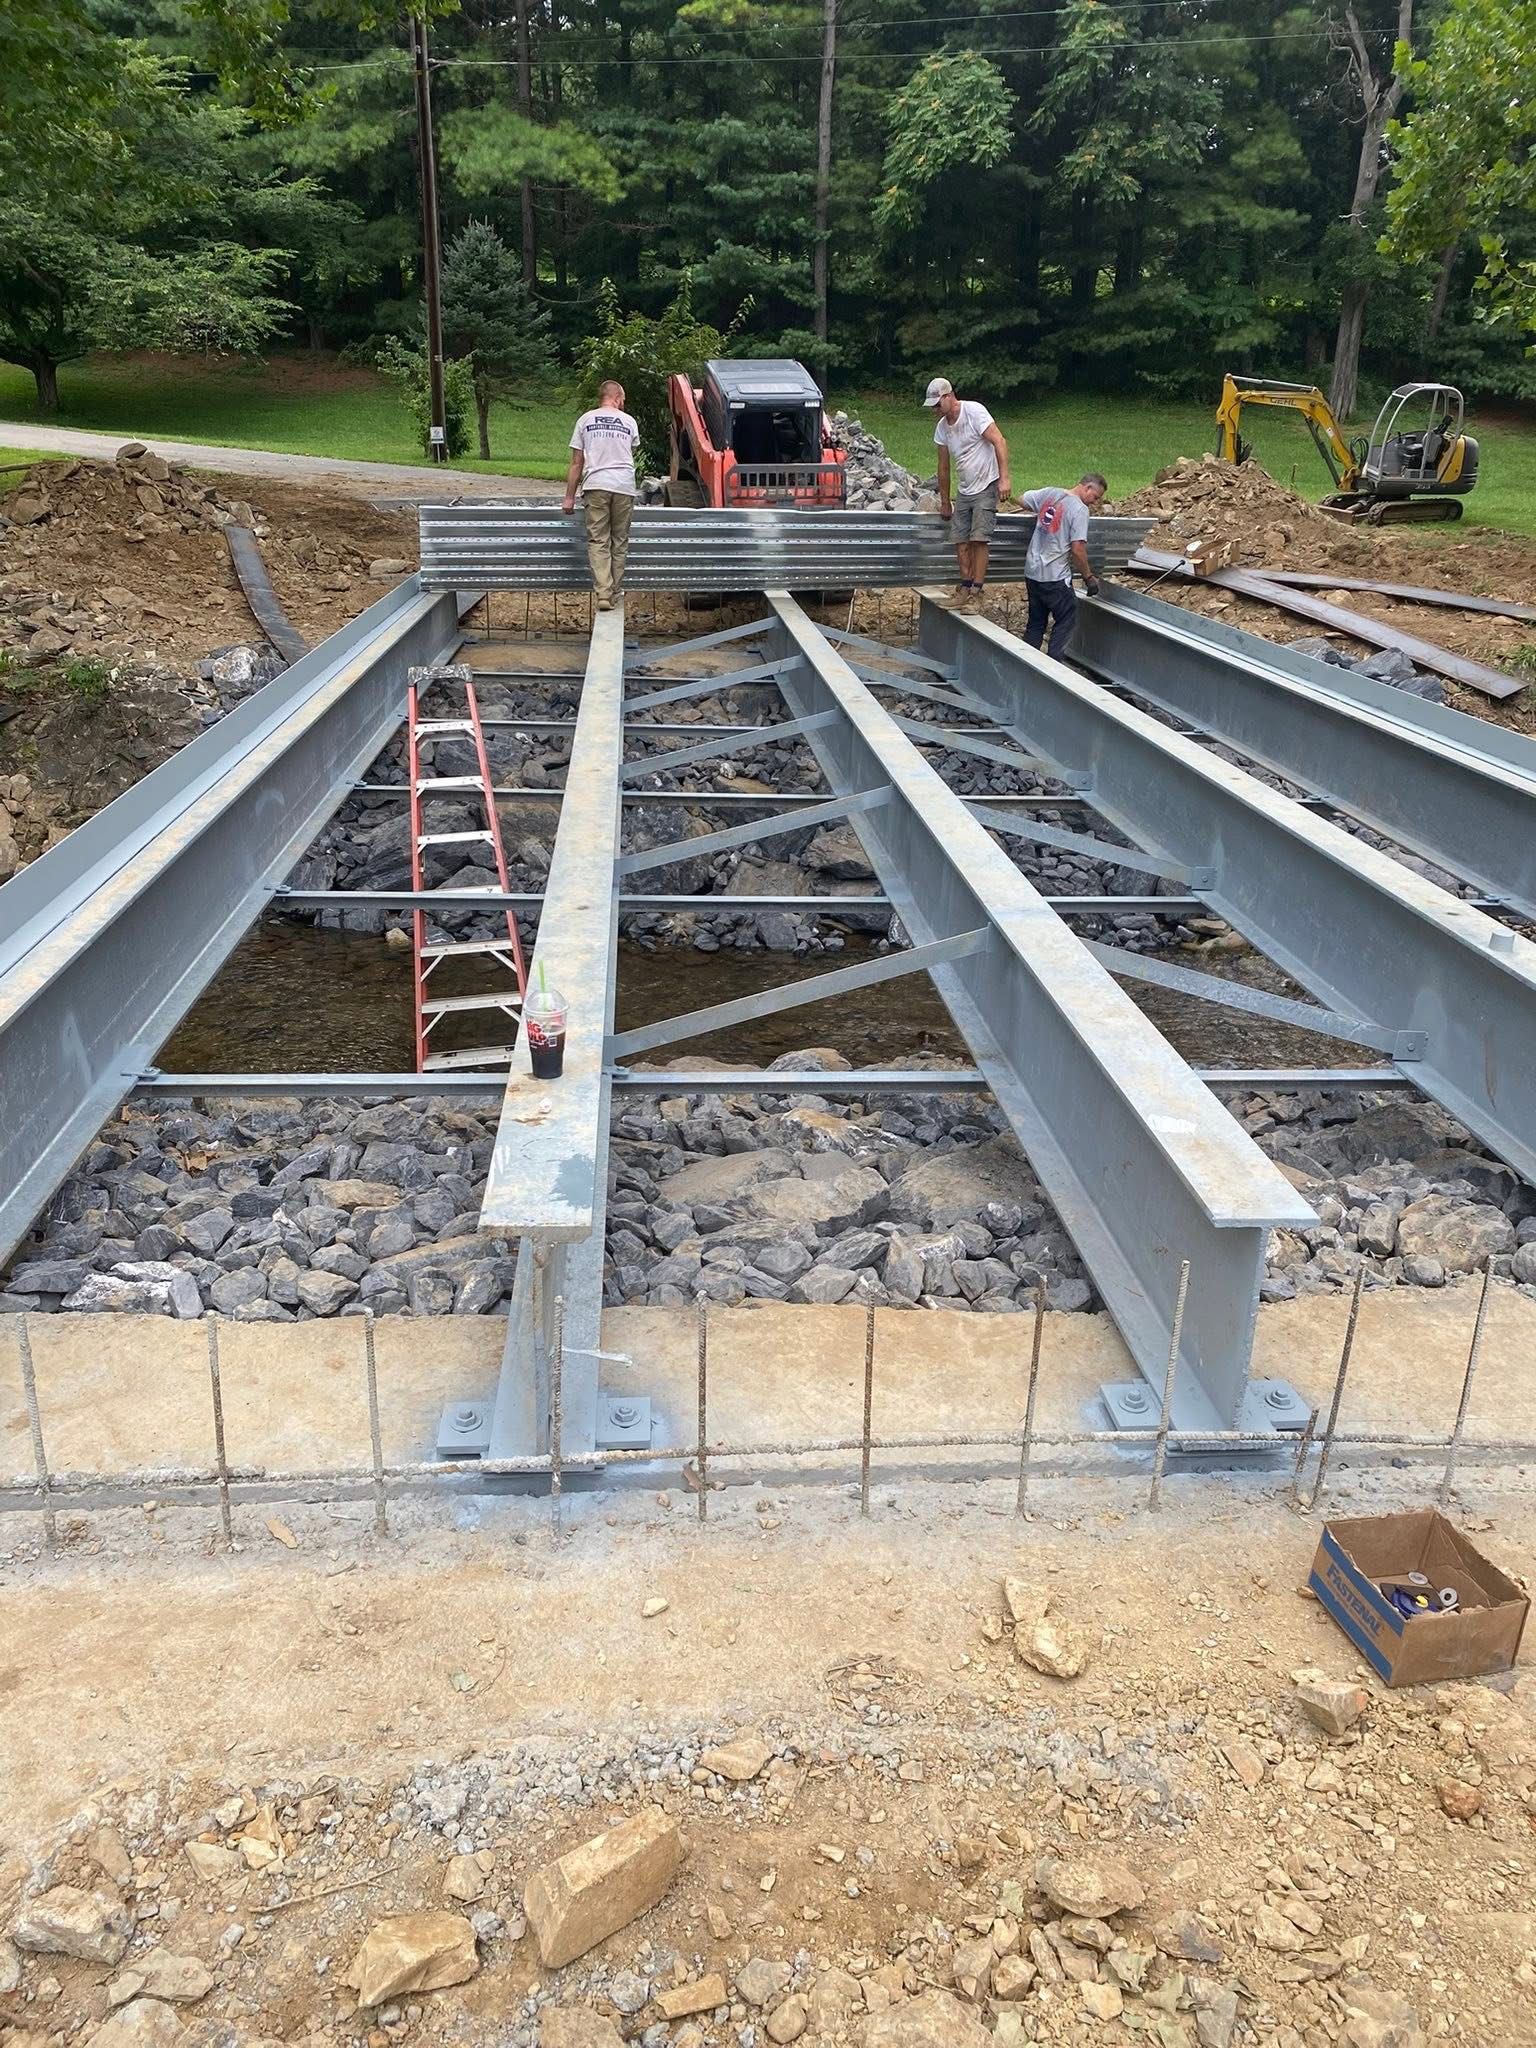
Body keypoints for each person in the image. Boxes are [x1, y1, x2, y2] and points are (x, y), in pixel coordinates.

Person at [924, 377, 1011, 606]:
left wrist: (1004, 479)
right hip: (965, 489)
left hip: (986, 484)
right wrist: (945, 501)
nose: (934, 410)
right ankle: (965, 586)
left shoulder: (974, 412)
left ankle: (977, 591)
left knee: (979, 539)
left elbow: (999, 441)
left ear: (948, 396)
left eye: (936, 404)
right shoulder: (942, 428)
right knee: (960, 540)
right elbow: (943, 466)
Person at [562, 380, 641, 611]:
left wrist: (569, 497)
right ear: (617, 396)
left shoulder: (585, 420)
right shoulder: (629, 422)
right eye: (623, 399)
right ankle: (615, 590)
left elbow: (577, 462)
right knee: (619, 540)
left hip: (596, 485)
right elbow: (629, 451)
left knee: (599, 540)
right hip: (624, 486)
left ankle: (604, 594)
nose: (624, 403)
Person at [1019, 473, 1107, 660]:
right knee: (1067, 617)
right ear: (1087, 487)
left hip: (1033, 572)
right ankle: (1055, 665)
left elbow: (1023, 500)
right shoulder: (1079, 510)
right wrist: (1088, 578)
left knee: (1036, 622)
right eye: (1095, 497)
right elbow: (1077, 549)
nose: (1094, 502)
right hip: (1054, 575)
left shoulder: (1050, 494)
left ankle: (1027, 661)